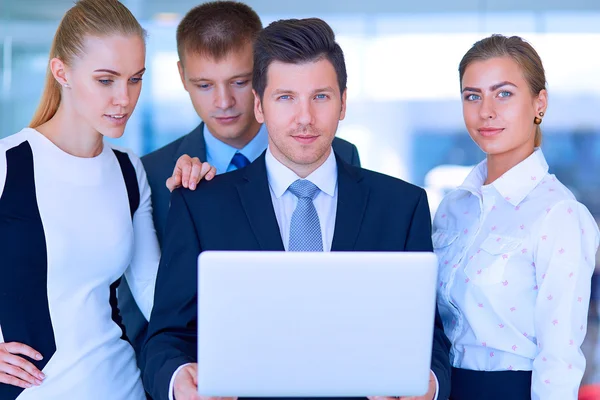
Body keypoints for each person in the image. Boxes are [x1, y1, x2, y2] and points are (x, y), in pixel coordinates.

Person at [141, 17, 451, 400]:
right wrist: (176, 381)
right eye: (285, 97)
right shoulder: (201, 204)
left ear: (343, 103)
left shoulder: (402, 206)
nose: (304, 118)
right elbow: (167, 336)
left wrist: (431, 385)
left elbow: (426, 335)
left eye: (320, 96)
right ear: (259, 105)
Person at [119, 0, 363, 361]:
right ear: (182, 76)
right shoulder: (151, 175)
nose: (224, 102)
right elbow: (142, 316)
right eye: (204, 84)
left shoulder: (339, 154)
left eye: (240, 81)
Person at [0, 1, 208, 399]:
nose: (124, 99)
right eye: (106, 80)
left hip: (123, 387)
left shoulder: (130, 171)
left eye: (135, 79)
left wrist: (197, 195)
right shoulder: (8, 164)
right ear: (61, 72)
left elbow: (159, 299)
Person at [433, 34, 600, 400]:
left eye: (504, 93)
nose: (486, 111)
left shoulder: (559, 215)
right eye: (472, 95)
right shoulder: (452, 208)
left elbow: (558, 359)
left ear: (539, 103)